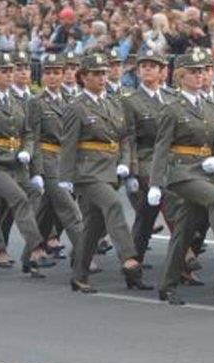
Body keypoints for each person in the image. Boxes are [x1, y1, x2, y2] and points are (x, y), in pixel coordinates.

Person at [149, 48, 214, 305]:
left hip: (207, 172)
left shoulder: (212, 106)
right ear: (181, 77)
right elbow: (161, 147)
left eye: (203, 71)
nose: (200, 76)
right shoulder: (172, 108)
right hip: (183, 172)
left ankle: (167, 286)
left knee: (184, 231)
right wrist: (155, 183)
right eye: (194, 72)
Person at [61, 53, 150, 293]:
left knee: (93, 225)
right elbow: (68, 143)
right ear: (83, 77)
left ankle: (79, 276)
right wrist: (65, 178)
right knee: (113, 205)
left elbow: (125, 136)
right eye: (96, 74)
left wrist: (126, 163)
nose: (102, 77)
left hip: (111, 169)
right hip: (87, 171)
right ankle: (129, 257)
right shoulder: (76, 107)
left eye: (104, 72)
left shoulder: (113, 102)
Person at [0, 52, 51, 282]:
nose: (9, 74)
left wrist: (28, 152)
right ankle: (36, 248)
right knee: (20, 199)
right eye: (4, 71)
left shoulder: (20, 101)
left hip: (16, 163)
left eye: (11, 70)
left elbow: (28, 133)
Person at [28, 53, 85, 277]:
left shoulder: (70, 101)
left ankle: (29, 257)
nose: (52, 77)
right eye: (48, 73)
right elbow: (33, 137)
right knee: (70, 209)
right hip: (48, 159)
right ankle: (83, 257)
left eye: (57, 73)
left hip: (65, 160)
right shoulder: (36, 102)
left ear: (63, 75)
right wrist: (37, 170)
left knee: (46, 213)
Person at [121, 49, 171, 263]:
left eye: (153, 66)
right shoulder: (131, 101)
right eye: (144, 66)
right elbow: (128, 138)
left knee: (147, 216)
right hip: (145, 160)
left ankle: (134, 261)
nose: (147, 70)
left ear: (162, 72)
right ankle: (135, 262)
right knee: (157, 212)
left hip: (171, 161)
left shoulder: (171, 98)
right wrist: (130, 173)